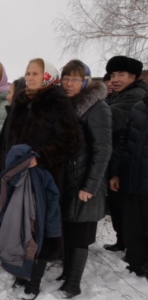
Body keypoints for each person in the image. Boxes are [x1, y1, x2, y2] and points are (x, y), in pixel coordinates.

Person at [3, 58, 82, 298]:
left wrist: (42, 157)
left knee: (37, 229)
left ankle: (34, 280)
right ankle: (20, 271)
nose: (30, 77)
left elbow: (73, 141)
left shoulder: (57, 101)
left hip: (43, 178)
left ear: (47, 75)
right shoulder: (21, 100)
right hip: (16, 177)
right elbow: (7, 138)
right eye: (27, 72)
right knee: (18, 225)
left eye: (35, 73)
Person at [58, 60, 111, 297]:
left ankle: (73, 283)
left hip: (85, 183)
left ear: (86, 81)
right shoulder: (65, 106)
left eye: (75, 79)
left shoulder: (97, 108)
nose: (69, 84)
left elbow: (103, 150)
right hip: (67, 180)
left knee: (80, 234)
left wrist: (90, 185)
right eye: (66, 78)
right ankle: (66, 272)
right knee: (68, 229)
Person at [105, 56, 148, 252]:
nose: (115, 79)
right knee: (117, 205)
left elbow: (110, 120)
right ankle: (122, 241)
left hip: (130, 163)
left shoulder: (135, 95)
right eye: (113, 75)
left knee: (127, 208)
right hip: (120, 160)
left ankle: (130, 246)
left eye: (121, 74)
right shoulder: (119, 95)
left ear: (133, 76)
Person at [111, 81, 148, 278]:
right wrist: (116, 172)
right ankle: (135, 263)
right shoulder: (138, 107)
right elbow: (124, 141)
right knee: (132, 226)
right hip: (132, 179)